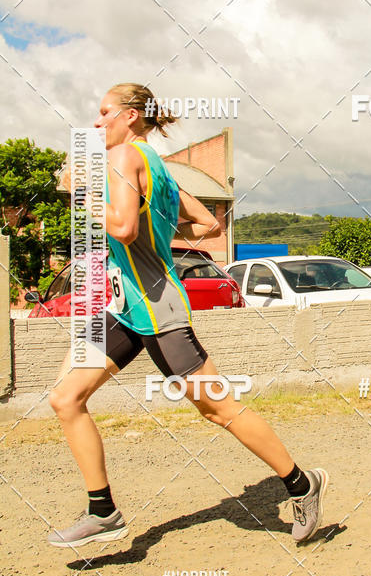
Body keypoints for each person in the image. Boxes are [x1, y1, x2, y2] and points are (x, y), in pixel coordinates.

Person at [47, 83, 328, 549]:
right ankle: (103, 511)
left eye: (104, 112)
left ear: (131, 115)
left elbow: (123, 227)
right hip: (124, 308)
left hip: (158, 310)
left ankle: (302, 484)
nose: (97, 122)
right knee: (66, 398)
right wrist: (155, 228)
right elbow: (209, 223)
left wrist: (83, 192)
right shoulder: (158, 168)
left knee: (217, 407)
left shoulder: (124, 158)